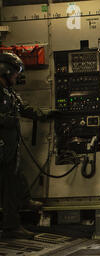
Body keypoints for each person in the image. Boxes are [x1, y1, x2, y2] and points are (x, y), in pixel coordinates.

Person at [0, 52, 49, 239]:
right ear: (5, 71)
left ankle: (14, 221)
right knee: (11, 182)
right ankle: (12, 224)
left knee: (14, 180)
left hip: (9, 149)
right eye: (15, 73)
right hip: (3, 146)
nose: (17, 77)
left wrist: (47, 114)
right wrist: (7, 120)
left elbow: (24, 109)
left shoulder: (9, 92)